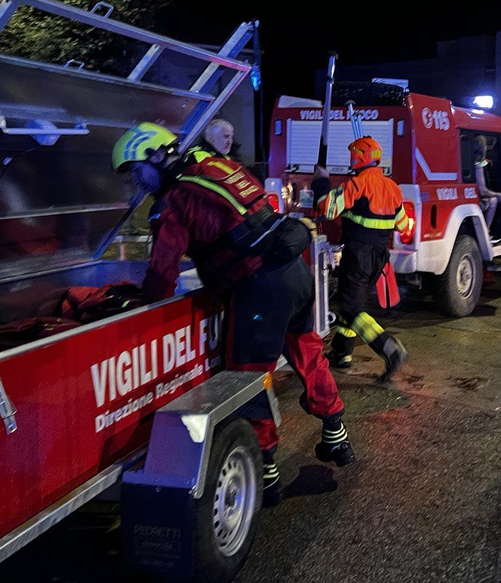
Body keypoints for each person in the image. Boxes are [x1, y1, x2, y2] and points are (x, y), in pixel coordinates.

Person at [112, 121, 354, 508]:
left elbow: (162, 272)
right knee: (307, 352)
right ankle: (335, 433)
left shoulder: (174, 201)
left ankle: (267, 469)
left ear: (156, 156)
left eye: (136, 172)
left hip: (259, 290)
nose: (137, 184)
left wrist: (139, 309)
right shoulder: (219, 167)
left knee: (248, 377)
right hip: (294, 272)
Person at [312, 135, 410, 377]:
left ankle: (389, 347)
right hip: (379, 258)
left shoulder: (356, 184)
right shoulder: (393, 187)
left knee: (351, 306)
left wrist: (321, 183)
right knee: (351, 302)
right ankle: (341, 354)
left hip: (358, 255)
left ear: (357, 157)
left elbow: (327, 208)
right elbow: (403, 225)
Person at [474, 135, 501, 242]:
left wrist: (488, 162)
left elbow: (482, 162)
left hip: (472, 196)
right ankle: (486, 232)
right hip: (477, 199)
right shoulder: (478, 165)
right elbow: (482, 190)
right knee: (494, 201)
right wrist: (497, 194)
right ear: (483, 149)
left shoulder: (473, 160)